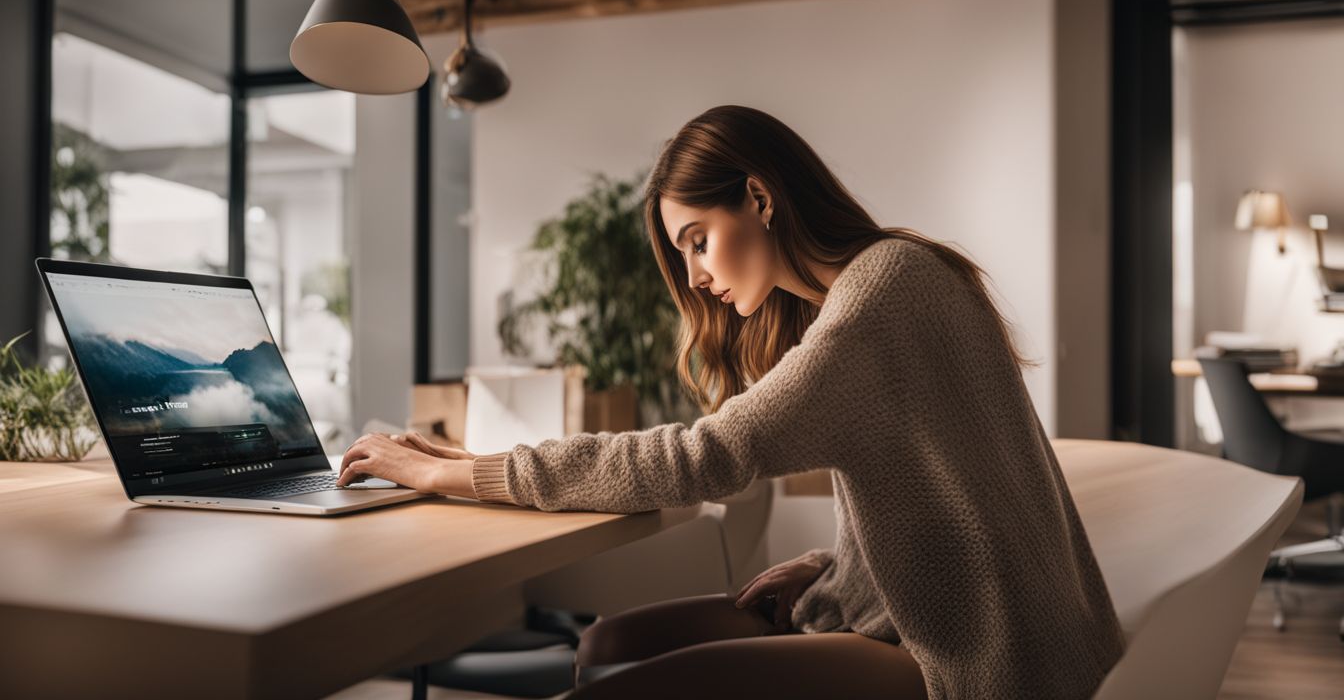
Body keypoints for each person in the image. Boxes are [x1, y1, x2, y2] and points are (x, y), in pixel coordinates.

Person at [337, 105, 1126, 699]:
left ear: (759, 197)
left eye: (697, 242)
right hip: (970, 621)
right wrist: (834, 567)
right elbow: (938, 496)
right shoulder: (886, 279)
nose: (695, 279)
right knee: (604, 644)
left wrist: (460, 474)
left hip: (990, 657)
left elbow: (705, 456)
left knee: (617, 688)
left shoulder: (882, 292)